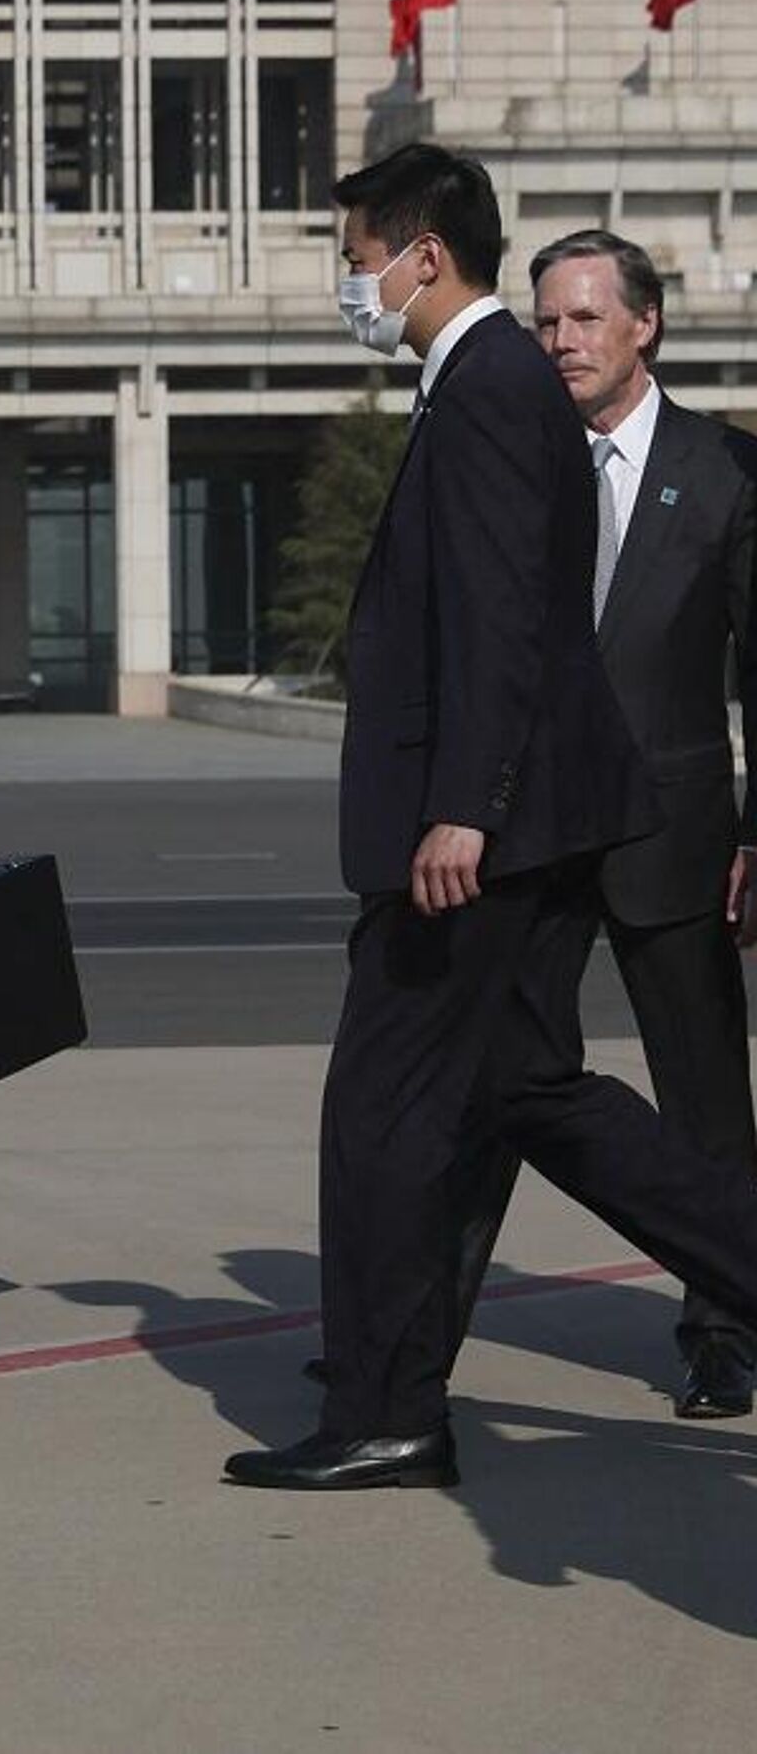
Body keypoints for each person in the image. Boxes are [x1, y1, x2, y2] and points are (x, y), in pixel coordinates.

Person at [224, 143, 757, 1492]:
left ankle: (385, 1411)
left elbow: (503, 618)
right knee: (533, 1094)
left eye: (356, 259)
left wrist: (464, 806)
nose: (350, 284)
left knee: (380, 1110)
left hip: (484, 839)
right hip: (523, 824)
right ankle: (394, 1397)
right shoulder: (494, 384)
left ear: (422, 256)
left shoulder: (488, 388)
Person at [437, 232, 757, 1419]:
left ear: (644, 325)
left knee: (706, 1103)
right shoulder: (515, 463)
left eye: (583, 319)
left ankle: (725, 1330)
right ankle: (409, 1342)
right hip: (527, 838)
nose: (562, 342)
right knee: (490, 1091)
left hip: (676, 840)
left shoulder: (727, 470)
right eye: (546, 322)